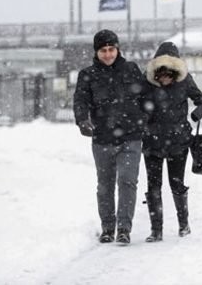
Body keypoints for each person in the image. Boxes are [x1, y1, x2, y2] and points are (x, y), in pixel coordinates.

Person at [73, 29, 149, 245]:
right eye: (103, 50)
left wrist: (144, 119)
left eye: (111, 49)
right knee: (105, 184)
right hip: (102, 138)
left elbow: (145, 97)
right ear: (96, 52)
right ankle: (108, 227)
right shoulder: (87, 75)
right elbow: (80, 101)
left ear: (117, 49)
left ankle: (124, 228)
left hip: (131, 136)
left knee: (127, 181)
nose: (108, 54)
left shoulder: (131, 69)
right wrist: (82, 121)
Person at [142, 41, 202, 242]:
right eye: (160, 75)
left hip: (178, 143)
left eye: (168, 75)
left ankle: (184, 224)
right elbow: (134, 105)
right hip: (152, 144)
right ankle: (156, 230)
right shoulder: (146, 84)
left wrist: (197, 114)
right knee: (153, 186)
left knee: (176, 184)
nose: (164, 80)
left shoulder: (185, 81)